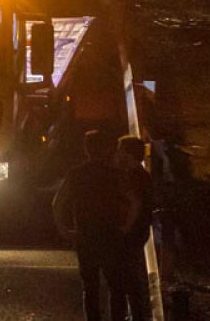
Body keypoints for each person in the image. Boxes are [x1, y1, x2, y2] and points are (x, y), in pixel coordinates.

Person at [52, 130, 138, 321]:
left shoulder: (75, 174)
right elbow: (134, 201)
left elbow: (58, 203)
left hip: (85, 235)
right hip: (110, 234)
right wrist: (126, 227)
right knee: (116, 286)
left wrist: (63, 229)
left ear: (86, 149)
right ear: (107, 149)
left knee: (90, 287)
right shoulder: (114, 175)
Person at [116, 135, 155, 321]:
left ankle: (136, 315)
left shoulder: (133, 176)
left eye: (120, 149)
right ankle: (136, 314)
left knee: (129, 279)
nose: (117, 153)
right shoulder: (142, 175)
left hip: (132, 233)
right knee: (132, 278)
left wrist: (125, 227)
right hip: (139, 231)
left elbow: (136, 202)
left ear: (127, 153)